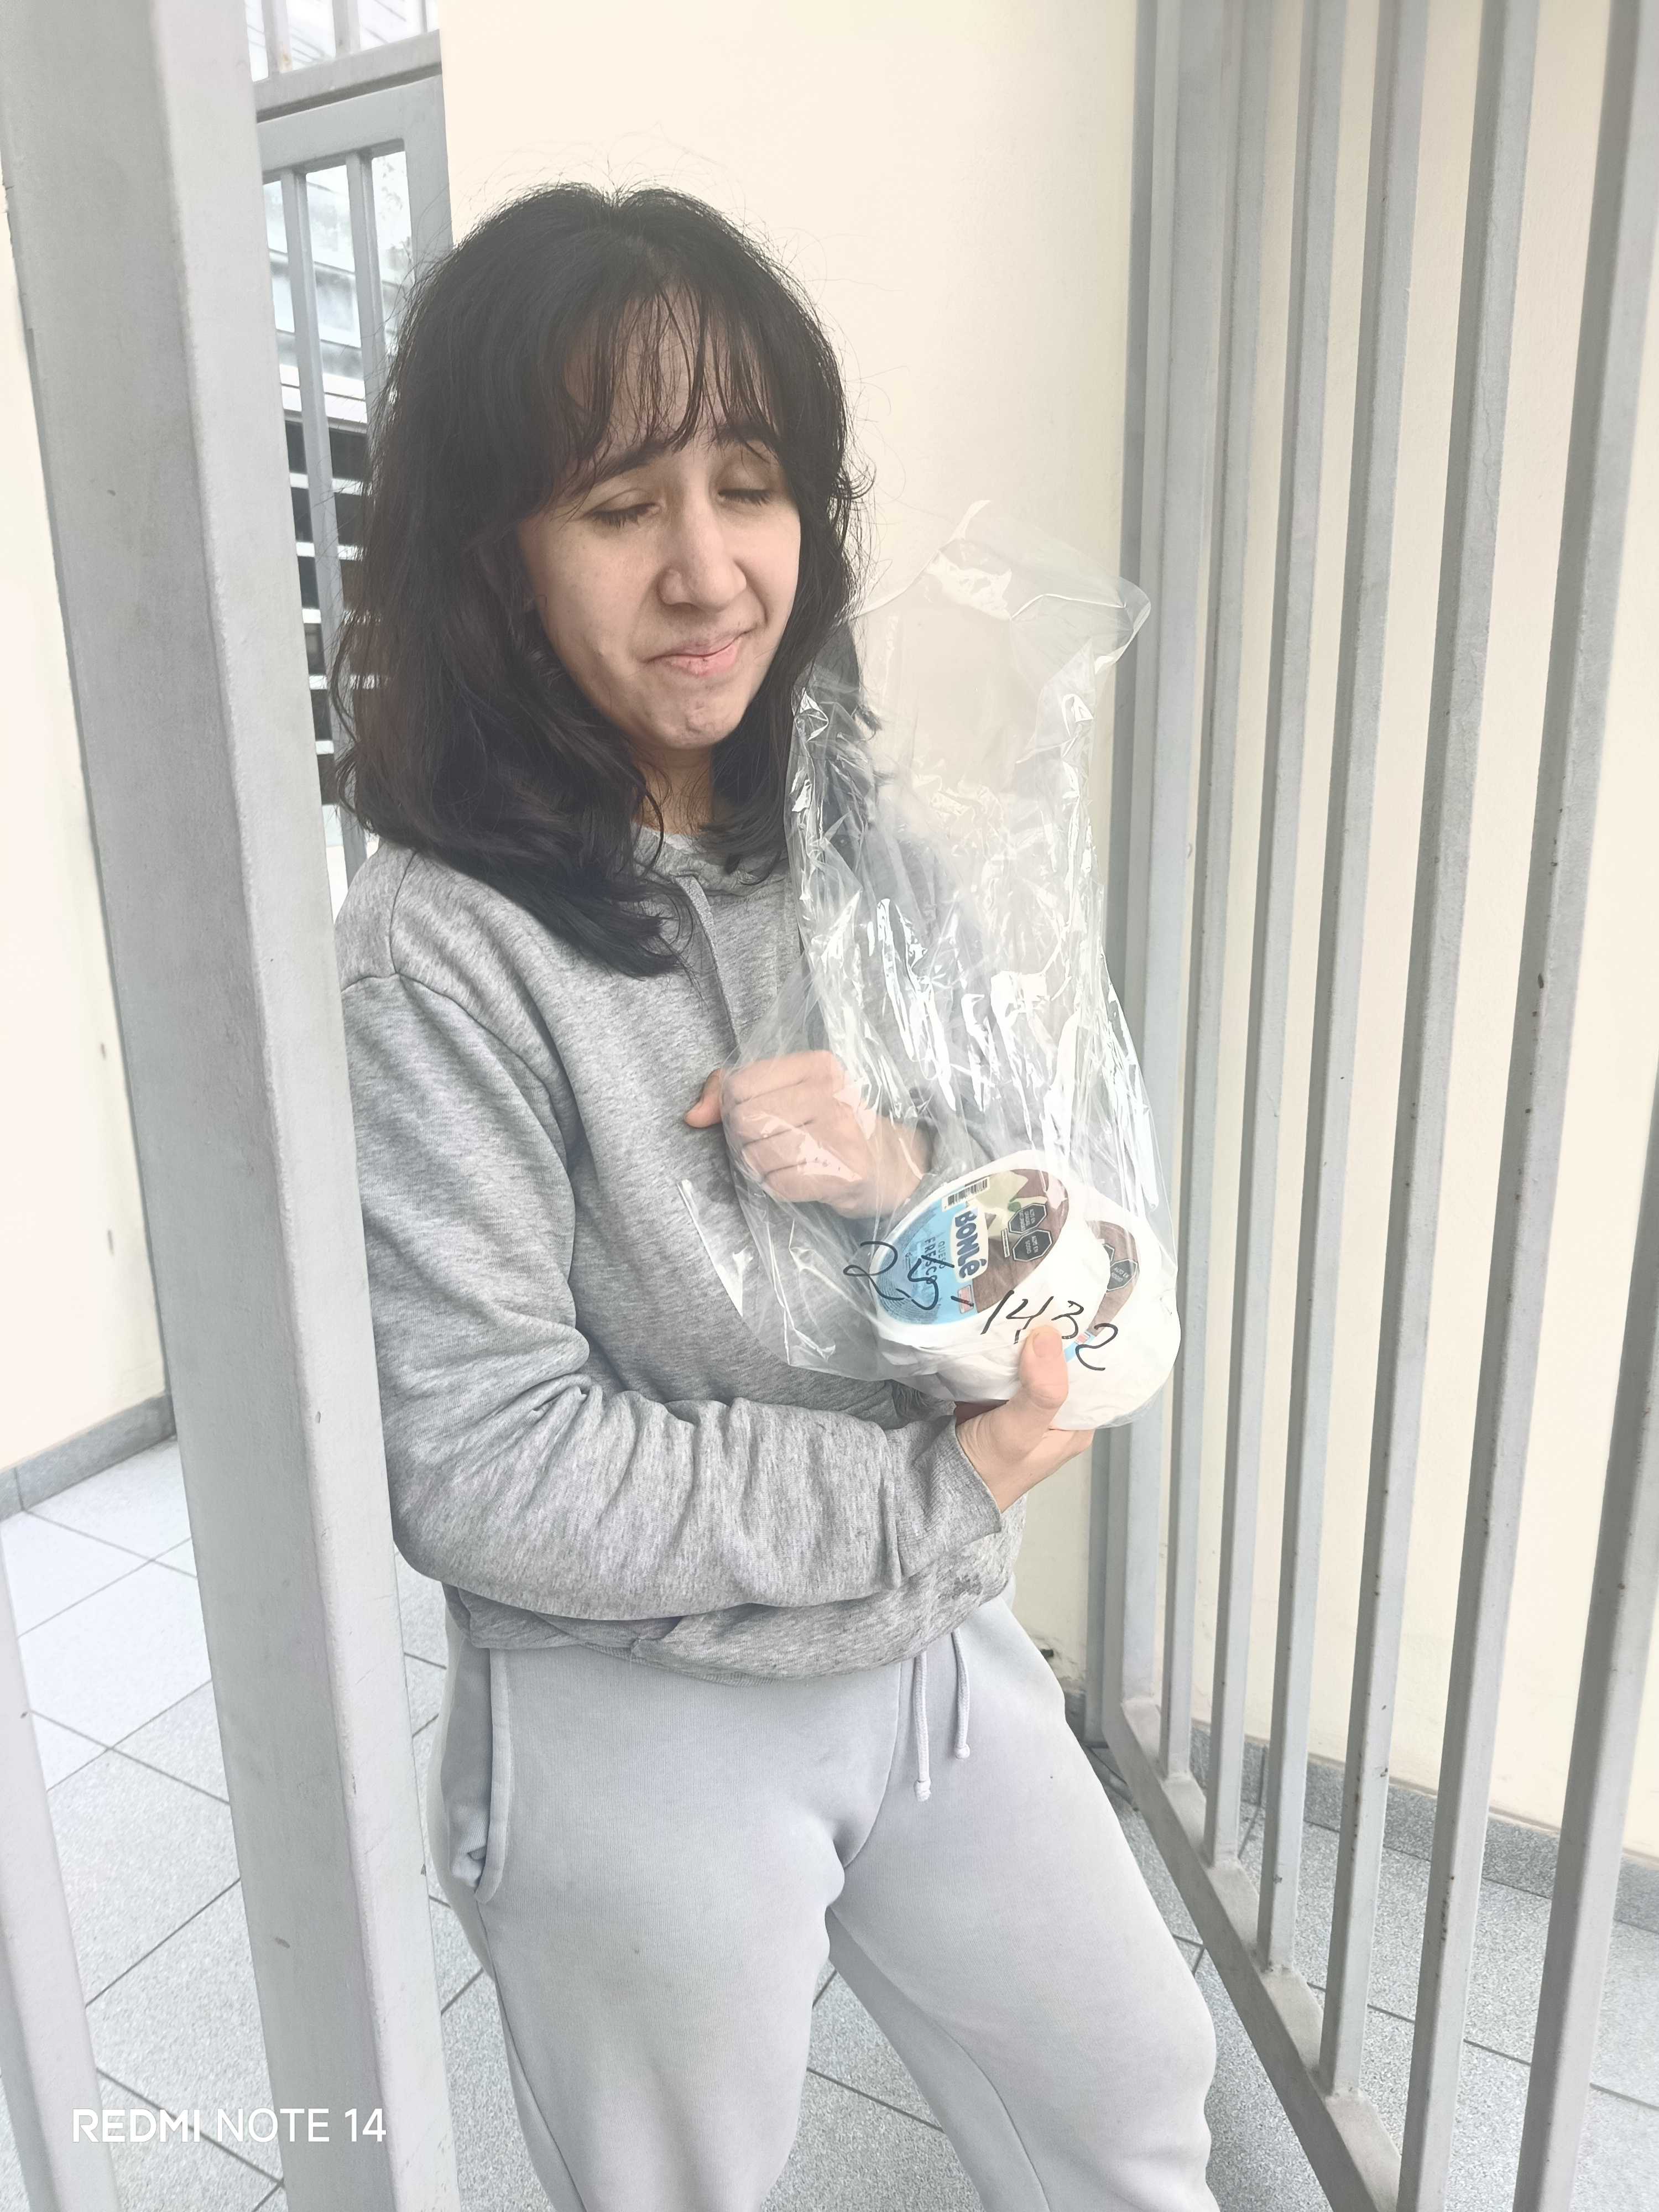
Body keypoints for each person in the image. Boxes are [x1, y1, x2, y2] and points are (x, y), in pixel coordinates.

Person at [331, 180, 1217, 2212]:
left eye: (751, 486)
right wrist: (929, 1489)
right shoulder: (439, 948)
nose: (708, 568)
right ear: (497, 554)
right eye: (620, 504)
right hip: (639, 1698)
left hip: (931, 1648)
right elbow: (483, 1460)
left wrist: (901, 1176)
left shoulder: (868, 864)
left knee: (1132, 2092)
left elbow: (1050, 1254)